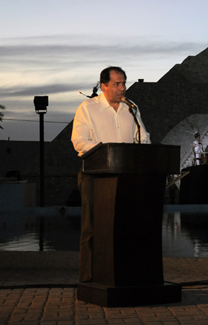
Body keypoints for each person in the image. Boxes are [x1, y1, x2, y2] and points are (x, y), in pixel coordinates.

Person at [71, 66, 150, 282]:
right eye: (117, 84)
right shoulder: (88, 108)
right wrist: (108, 153)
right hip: (95, 176)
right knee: (93, 229)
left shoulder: (131, 108)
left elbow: (142, 137)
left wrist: (142, 150)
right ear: (103, 86)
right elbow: (79, 141)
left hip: (126, 177)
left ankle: (124, 275)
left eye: (124, 83)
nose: (122, 88)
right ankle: (89, 279)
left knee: (125, 228)